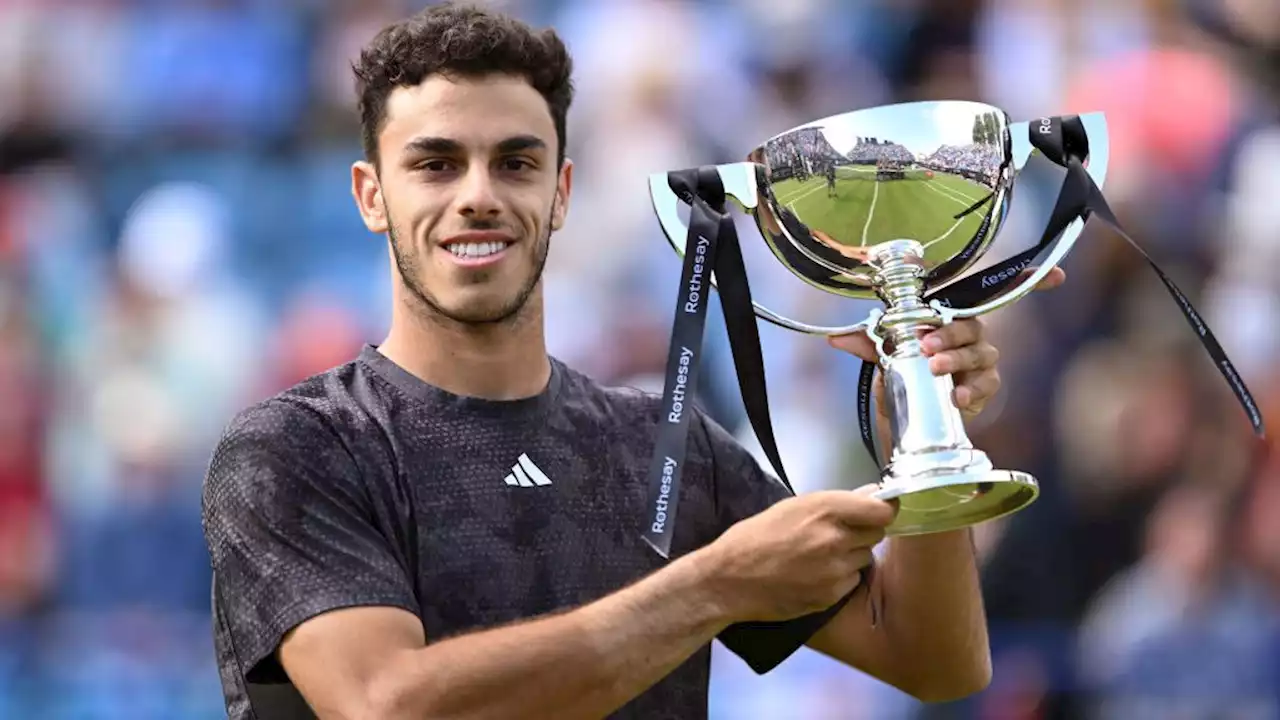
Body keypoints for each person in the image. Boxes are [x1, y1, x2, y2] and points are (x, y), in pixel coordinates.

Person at [200, 3, 1066, 719]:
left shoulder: (660, 444)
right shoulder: (296, 448)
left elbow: (933, 660)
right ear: (370, 196)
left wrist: (919, 428)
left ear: (562, 192)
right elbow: (386, 707)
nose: (478, 195)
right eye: (434, 164)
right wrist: (711, 588)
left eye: (515, 162)